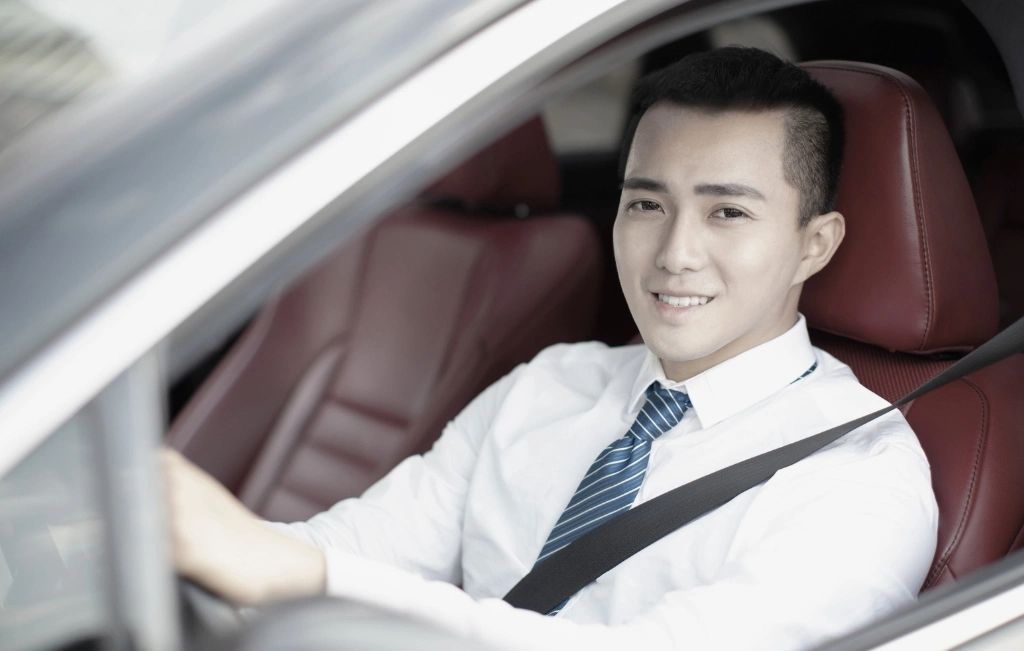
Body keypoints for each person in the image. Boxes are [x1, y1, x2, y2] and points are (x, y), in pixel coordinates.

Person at [163, 47, 938, 650]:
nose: (674, 253)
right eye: (646, 203)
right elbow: (362, 545)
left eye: (727, 212)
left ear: (814, 245)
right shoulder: (551, 382)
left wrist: (306, 576)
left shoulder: (861, 473)